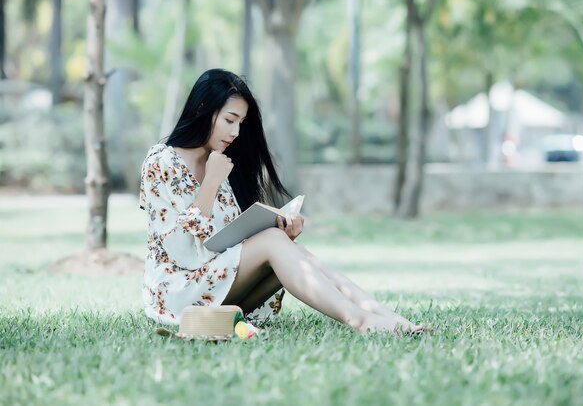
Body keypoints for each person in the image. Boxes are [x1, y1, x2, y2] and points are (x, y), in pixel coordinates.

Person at [139, 68, 423, 334]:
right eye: (229, 120)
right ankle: (359, 320)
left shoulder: (221, 164)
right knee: (274, 241)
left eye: (240, 123)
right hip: (177, 294)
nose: (236, 133)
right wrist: (211, 181)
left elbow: (225, 242)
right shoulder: (161, 162)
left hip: (214, 286)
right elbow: (182, 253)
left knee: (286, 244)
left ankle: (381, 314)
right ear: (202, 110)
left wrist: (277, 228)